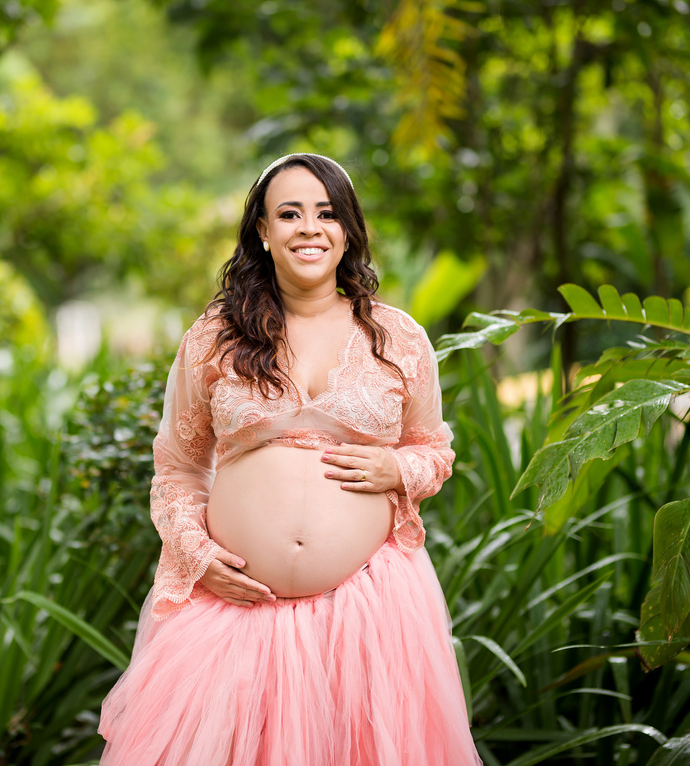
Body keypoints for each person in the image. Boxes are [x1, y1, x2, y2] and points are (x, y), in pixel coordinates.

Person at [98, 153, 482, 766]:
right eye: (290, 213)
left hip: (369, 612)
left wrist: (398, 471)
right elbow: (177, 465)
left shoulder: (399, 337)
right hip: (235, 611)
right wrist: (196, 555)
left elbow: (432, 449)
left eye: (327, 213)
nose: (310, 228)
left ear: (348, 229)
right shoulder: (216, 337)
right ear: (263, 231)